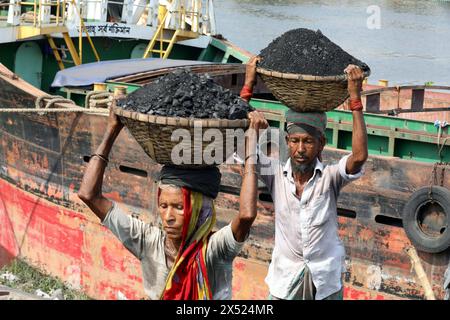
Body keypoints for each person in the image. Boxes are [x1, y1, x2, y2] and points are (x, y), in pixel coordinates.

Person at [78, 102, 267, 300]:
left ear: (200, 212)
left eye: (179, 207)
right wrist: (112, 129)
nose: (168, 217)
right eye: (163, 206)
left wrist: (250, 147)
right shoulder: (148, 241)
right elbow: (89, 195)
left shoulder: (214, 250)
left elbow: (246, 215)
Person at [240, 56, 368, 300]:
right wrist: (248, 87)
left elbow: (359, 156)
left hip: (325, 281)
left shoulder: (330, 178)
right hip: (284, 280)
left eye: (308, 141)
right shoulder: (275, 174)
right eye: (295, 141)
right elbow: (239, 149)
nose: (300, 149)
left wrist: (355, 99)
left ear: (321, 144)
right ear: (287, 142)